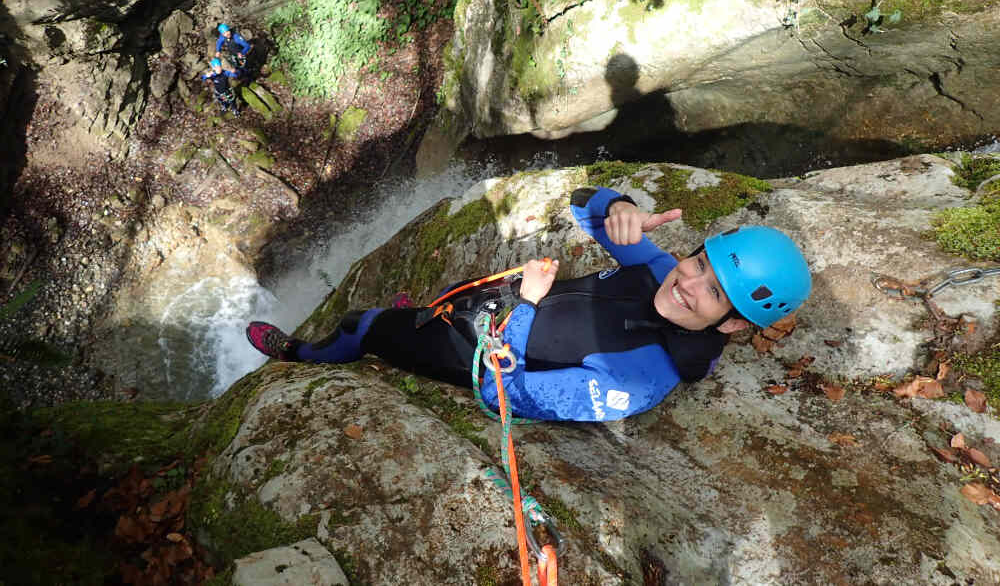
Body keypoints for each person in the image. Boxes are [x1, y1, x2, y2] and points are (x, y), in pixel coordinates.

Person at [246, 187, 812, 421]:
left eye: (713, 292)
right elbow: (581, 206)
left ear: (734, 324)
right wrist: (621, 206)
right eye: (699, 264)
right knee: (440, 300)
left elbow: (505, 398)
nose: (687, 283)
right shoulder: (659, 268)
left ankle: (306, 355)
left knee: (363, 323)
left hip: (476, 352)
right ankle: (417, 314)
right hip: (497, 307)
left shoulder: (639, 380)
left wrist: (526, 310)